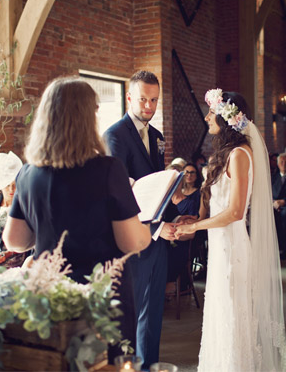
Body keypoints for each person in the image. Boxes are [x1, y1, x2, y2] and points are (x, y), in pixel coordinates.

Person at [2, 78, 152, 363]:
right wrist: (147, 229)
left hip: (52, 295)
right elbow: (131, 241)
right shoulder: (107, 169)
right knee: (106, 364)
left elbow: (15, 240)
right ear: (87, 118)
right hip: (102, 296)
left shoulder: (27, 174)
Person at [175, 89, 286, 371]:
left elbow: (235, 212)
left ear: (226, 117)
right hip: (219, 248)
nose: (207, 117)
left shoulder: (240, 154)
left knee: (234, 318)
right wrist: (190, 218)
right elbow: (211, 205)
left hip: (233, 248)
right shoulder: (219, 156)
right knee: (220, 315)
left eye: (212, 112)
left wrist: (198, 226)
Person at [103, 70, 179, 368]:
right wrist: (158, 226)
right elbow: (120, 192)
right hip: (132, 238)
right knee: (130, 314)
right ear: (130, 97)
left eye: (154, 100)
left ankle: (149, 366)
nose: (149, 106)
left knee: (153, 312)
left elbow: (156, 186)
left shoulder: (157, 137)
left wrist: (174, 219)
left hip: (157, 238)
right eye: (144, 99)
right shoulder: (114, 135)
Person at [167, 163, 202, 293]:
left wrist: (172, 233)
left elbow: (190, 234)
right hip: (164, 240)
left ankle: (169, 284)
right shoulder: (164, 202)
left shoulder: (189, 203)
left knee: (172, 252)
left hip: (180, 243)